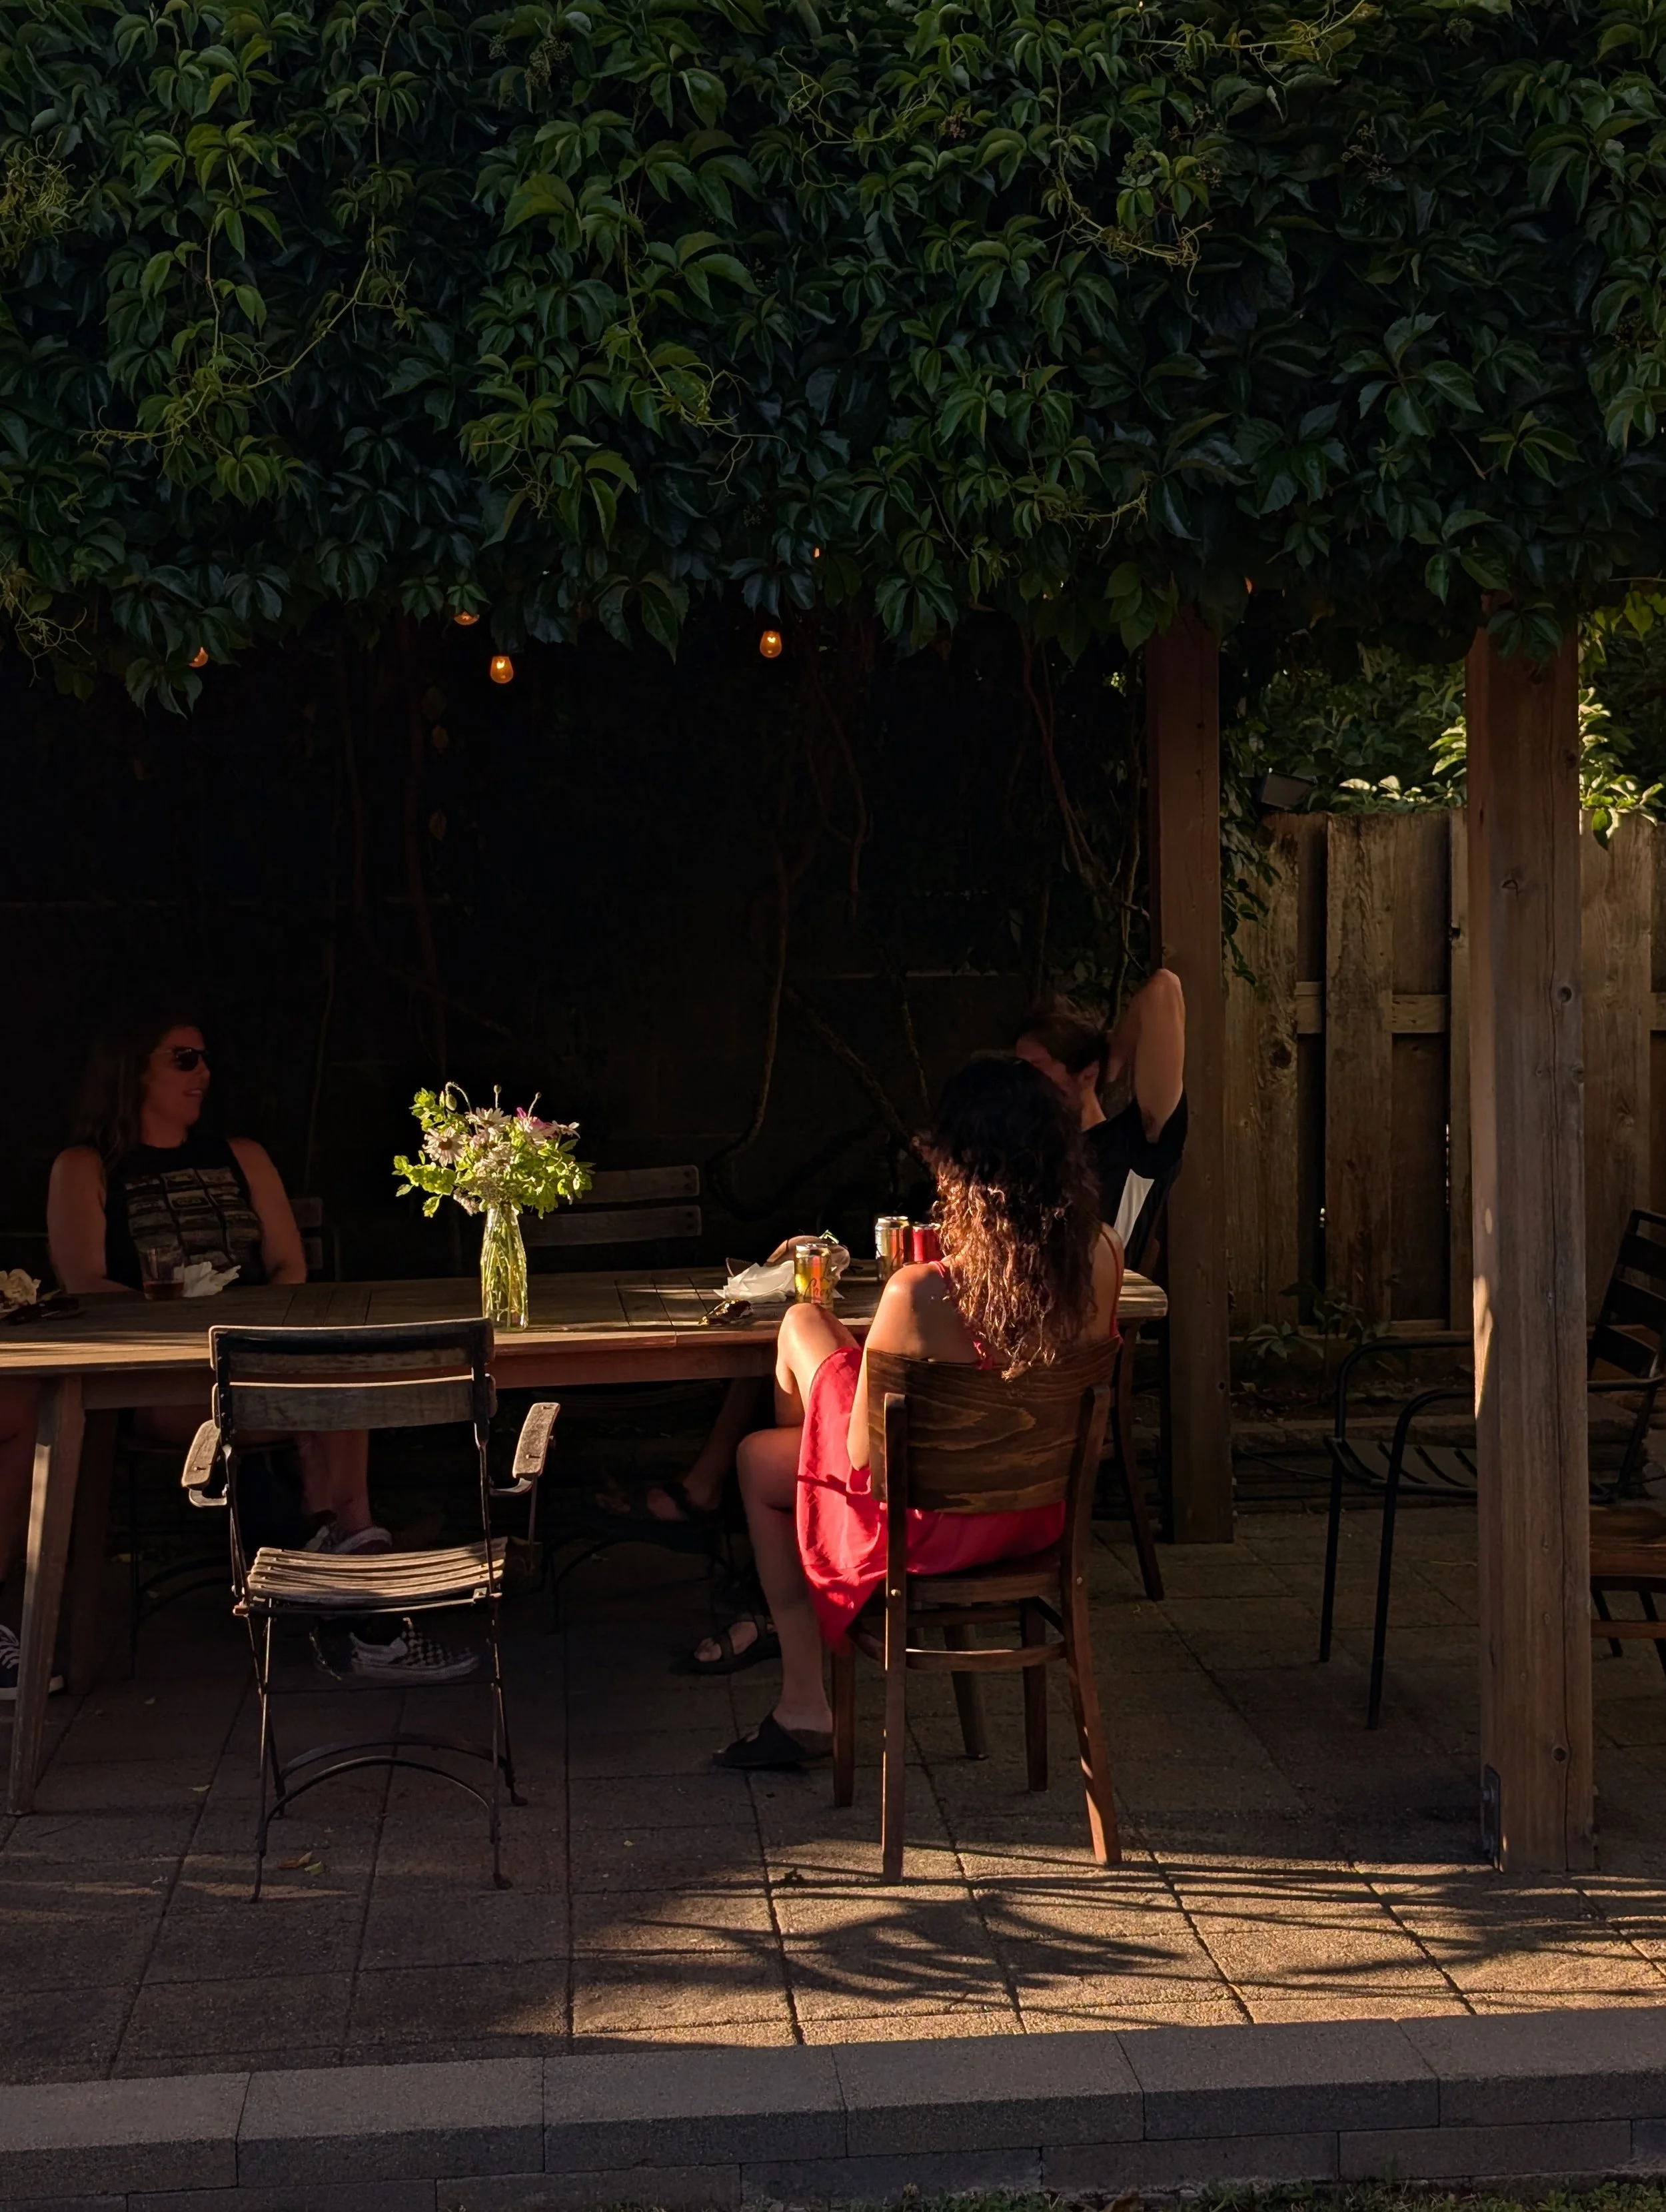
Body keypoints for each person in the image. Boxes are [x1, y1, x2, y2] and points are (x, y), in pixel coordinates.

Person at [706, 1054, 1123, 1770]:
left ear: (960, 1168)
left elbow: (866, 1457)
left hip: (928, 1529)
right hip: (1037, 1513)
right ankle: (804, 1636)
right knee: (808, 1333)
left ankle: (805, 1696)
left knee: (764, 1441)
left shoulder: (920, 1292)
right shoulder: (1102, 1255)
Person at [45, 1009, 474, 1681]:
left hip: (264, 1355)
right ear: (134, 1071)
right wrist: (176, 1316)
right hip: (163, 1376)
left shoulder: (240, 1155)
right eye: (184, 1059)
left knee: (340, 1383)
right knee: (311, 1412)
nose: (203, 1073)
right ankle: (359, 1606)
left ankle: (345, 1568)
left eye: (205, 1059)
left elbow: (289, 1267)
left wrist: (258, 1329)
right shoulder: (87, 1166)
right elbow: (82, 1281)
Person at [1014, 969, 1186, 1265]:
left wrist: (1115, 1055)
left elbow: (1164, 988)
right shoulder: (1030, 1152)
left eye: (1035, 1067)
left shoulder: (1133, 1144)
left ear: (1088, 1074)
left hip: (1103, 1307)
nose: (1022, 1081)